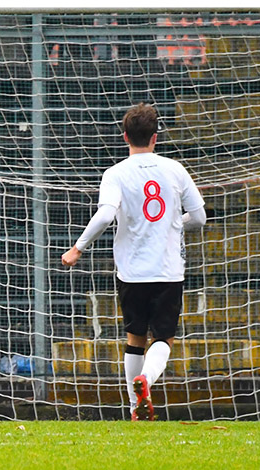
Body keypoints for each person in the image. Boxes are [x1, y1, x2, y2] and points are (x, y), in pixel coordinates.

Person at [61, 103, 207, 421]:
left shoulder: (115, 173)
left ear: (125, 136)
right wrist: (173, 222)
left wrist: (78, 248)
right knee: (164, 338)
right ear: (155, 138)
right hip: (167, 270)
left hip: (131, 271)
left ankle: (134, 406)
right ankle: (147, 382)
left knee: (134, 338)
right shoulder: (175, 169)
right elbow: (199, 217)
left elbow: (105, 215)